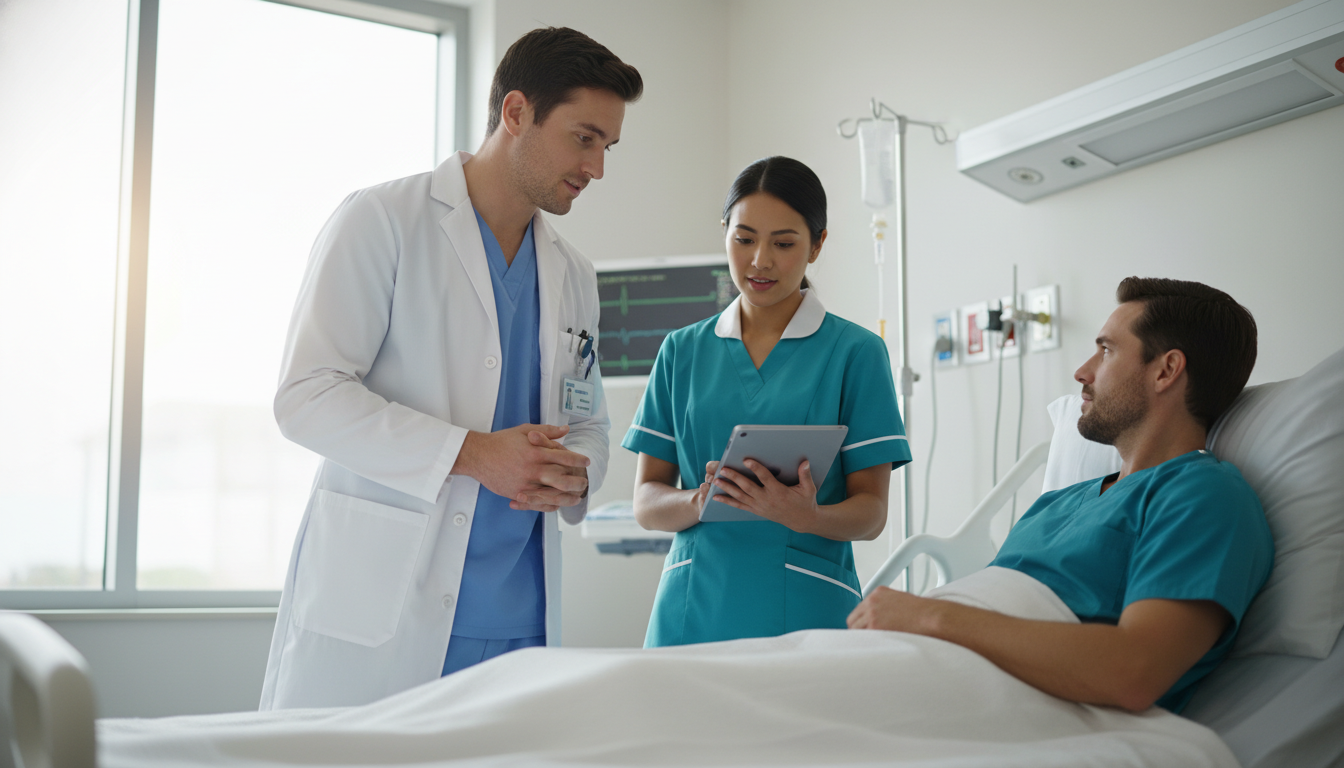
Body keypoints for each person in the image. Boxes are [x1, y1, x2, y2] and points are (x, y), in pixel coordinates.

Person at [259, 27, 643, 710]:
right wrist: (473, 454)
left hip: (520, 619)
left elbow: (585, 418)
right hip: (386, 607)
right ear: (517, 112)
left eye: (607, 147)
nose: (598, 168)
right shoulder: (382, 221)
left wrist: (574, 468)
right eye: (584, 138)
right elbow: (306, 396)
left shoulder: (574, 275)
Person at [848, 277, 1273, 713]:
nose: (1082, 372)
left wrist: (929, 616)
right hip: (933, 665)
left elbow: (1135, 670)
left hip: (999, 698)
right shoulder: (1058, 502)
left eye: (1106, 350)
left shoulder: (1203, 496)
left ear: (1166, 370)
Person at [624, 156, 913, 647]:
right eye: (744, 239)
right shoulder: (682, 351)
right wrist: (698, 500)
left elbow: (871, 511)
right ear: (725, 234)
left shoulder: (855, 353)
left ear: (817, 245)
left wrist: (809, 517)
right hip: (693, 610)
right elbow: (647, 502)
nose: (760, 260)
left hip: (809, 609)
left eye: (783, 243)